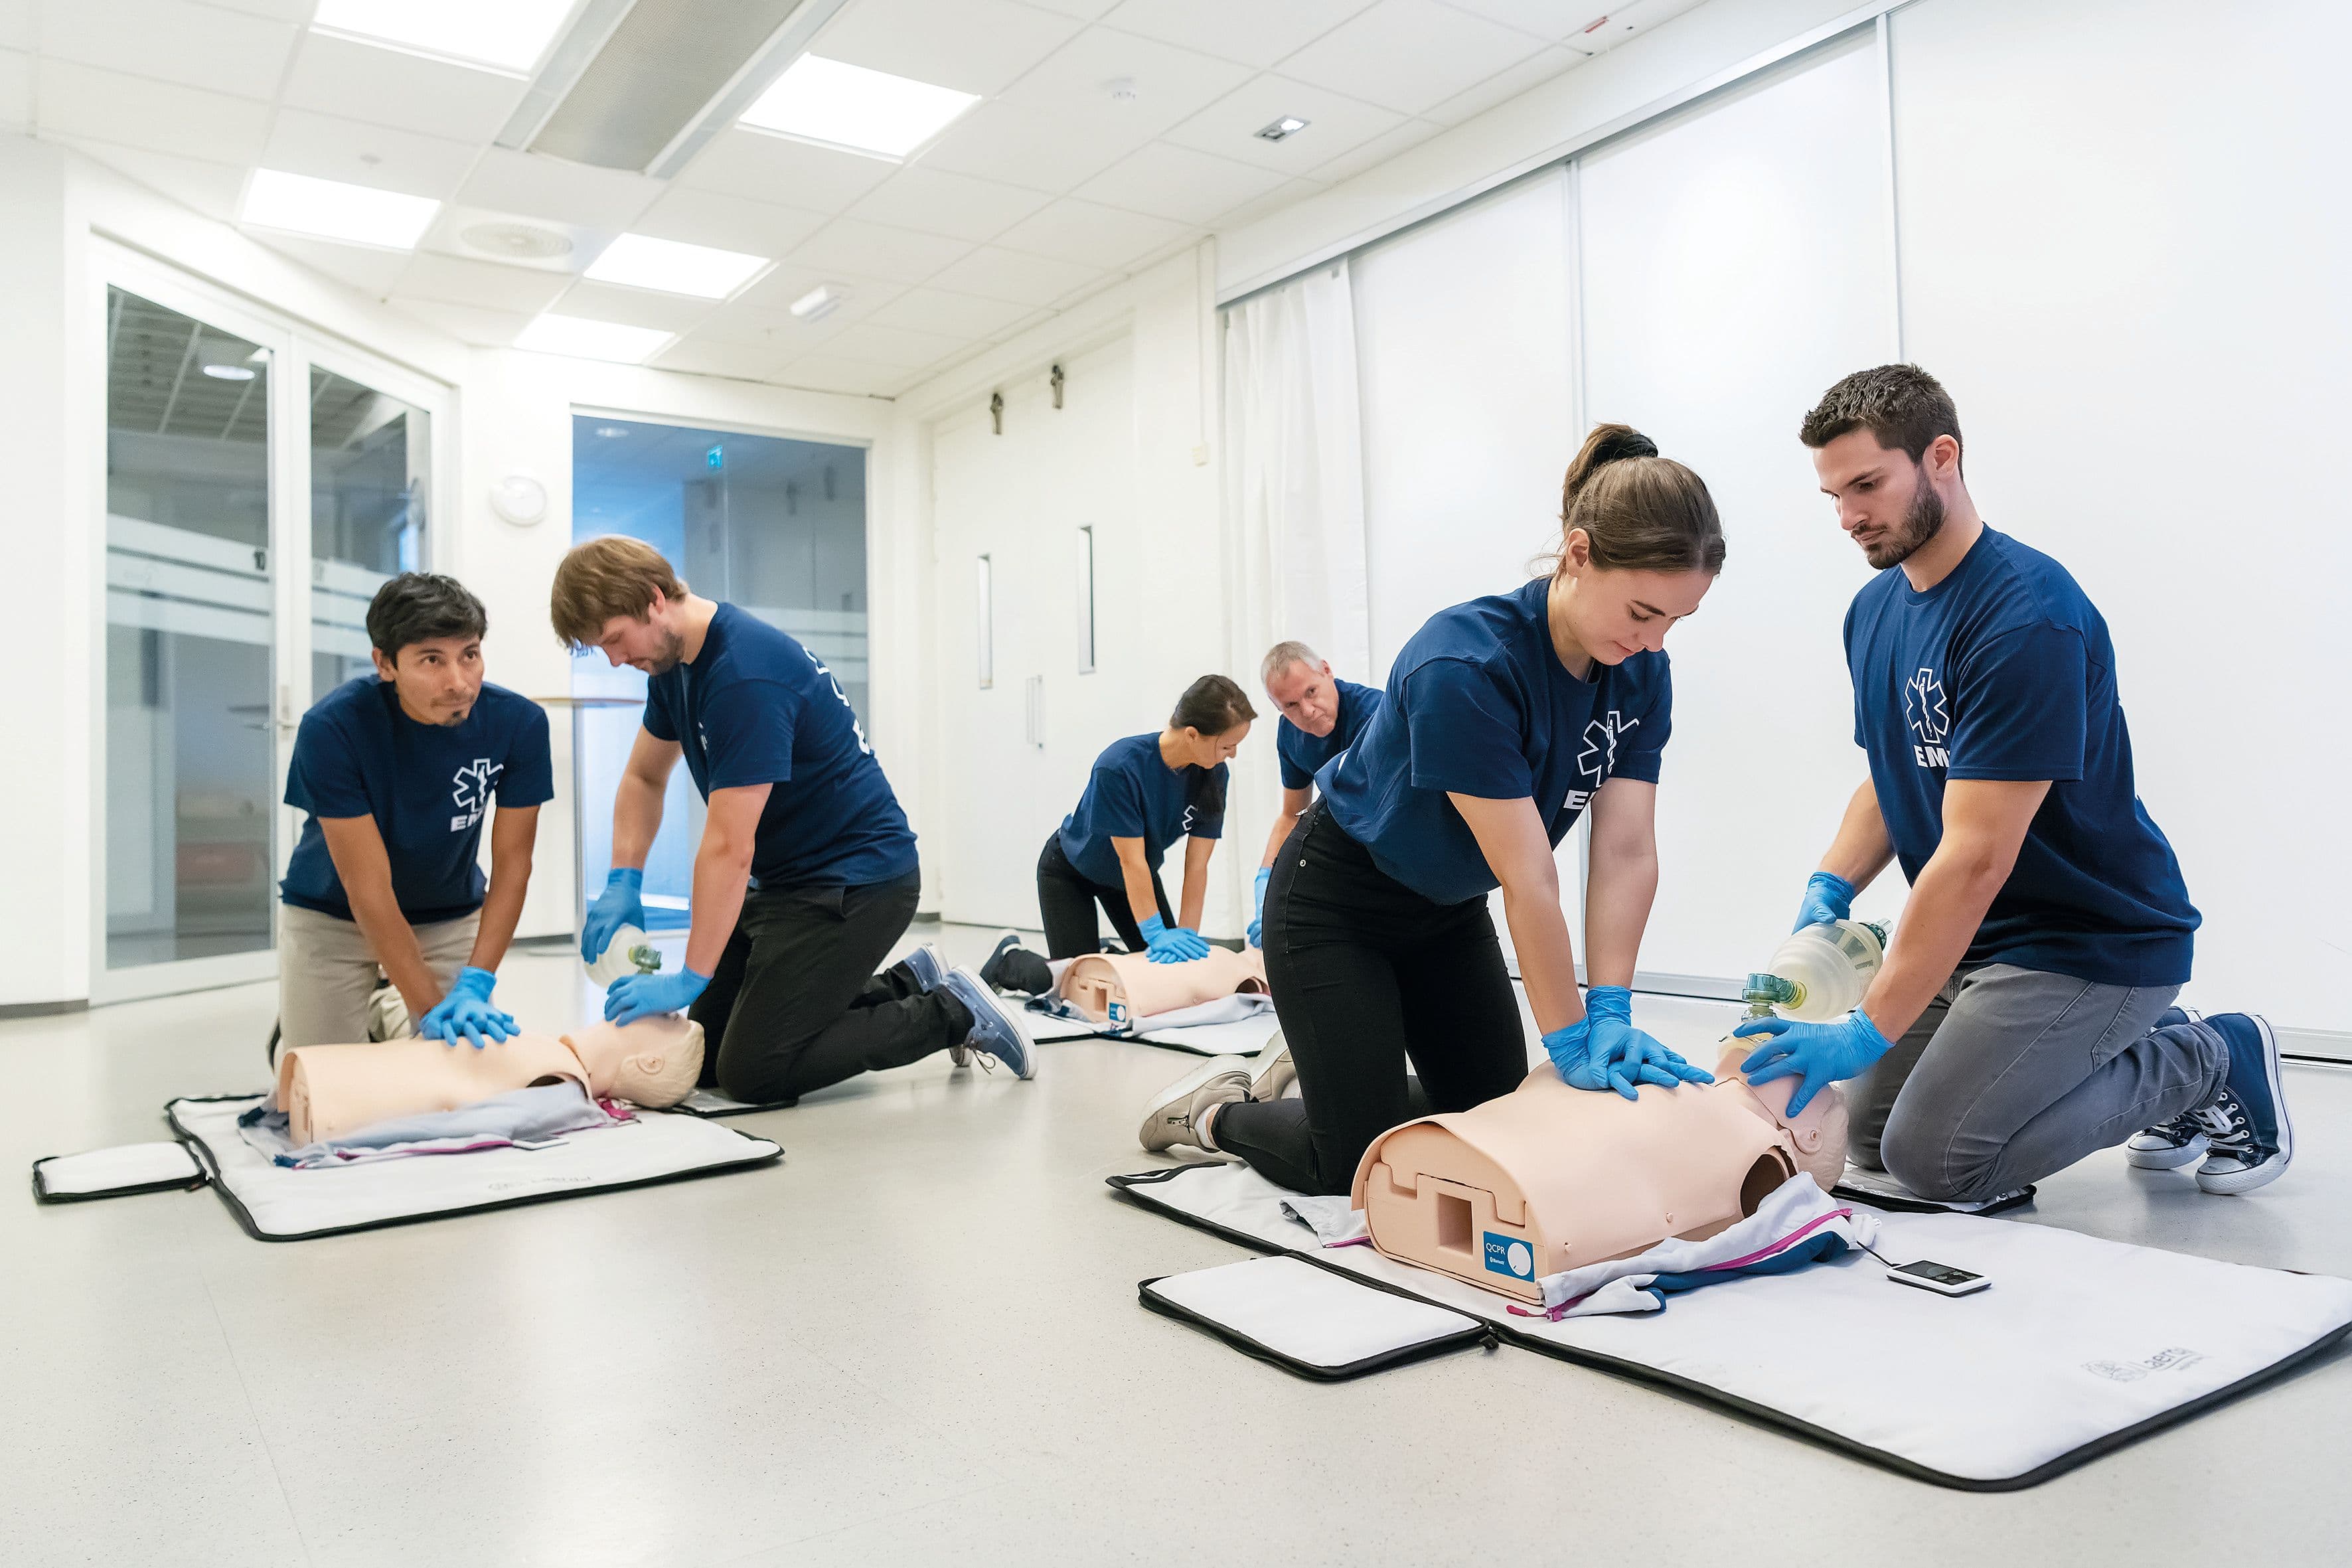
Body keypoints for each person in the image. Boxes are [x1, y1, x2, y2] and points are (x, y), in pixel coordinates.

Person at [1735, 364, 2286, 1201]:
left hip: (2086, 943)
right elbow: (1893, 775)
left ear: (1942, 458)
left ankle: (2210, 1056)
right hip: (1981, 941)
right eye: (1833, 496)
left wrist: (1864, 1027)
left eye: (1867, 486)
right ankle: (2128, 1046)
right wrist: (1827, 888)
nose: (1848, 517)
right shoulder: (1875, 610)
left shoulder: (2024, 616)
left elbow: (1976, 859)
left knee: (1942, 1161)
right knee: (1873, 1141)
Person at [1142, 426, 1721, 1195]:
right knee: (1351, 1159)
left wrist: (1611, 1003)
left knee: (1489, 1121)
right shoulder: (1467, 664)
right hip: (1335, 903)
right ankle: (1216, 1114)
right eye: (1645, 612)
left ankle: (1344, 1074)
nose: (1654, 643)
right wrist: (1570, 1036)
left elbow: (1624, 852)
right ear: (1579, 554)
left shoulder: (1641, 673)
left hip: (1445, 912)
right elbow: (1529, 875)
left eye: (1675, 623)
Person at [552, 536, 1031, 1101]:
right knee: (704, 1056)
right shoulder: (673, 664)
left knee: (755, 1073)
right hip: (787, 883)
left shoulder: (744, 676)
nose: (614, 659)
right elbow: (643, 778)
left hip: (856, 883)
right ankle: (911, 980)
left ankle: (953, 1011)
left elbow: (730, 846)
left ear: (654, 599)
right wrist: (623, 881)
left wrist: (690, 975)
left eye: (613, 639)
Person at [277, 573, 550, 1052]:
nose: (459, 682)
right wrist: (426, 1009)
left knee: (457, 1076)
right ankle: (387, 1006)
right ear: (385, 664)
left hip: (448, 914)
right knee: (324, 1092)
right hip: (333, 914)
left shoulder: (519, 723)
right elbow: (368, 890)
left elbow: (513, 867)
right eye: (431, 660)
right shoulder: (332, 728)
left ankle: (387, 1011)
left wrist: (477, 982)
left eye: (470, 654)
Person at [1037, 678, 1255, 962]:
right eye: (1227, 746)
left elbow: (1197, 865)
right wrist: (1155, 933)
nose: (1233, 754)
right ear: (1192, 735)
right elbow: (1132, 861)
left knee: (1170, 969)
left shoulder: (1213, 774)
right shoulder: (1119, 767)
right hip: (1071, 873)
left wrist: (1187, 934)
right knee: (1076, 984)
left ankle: (1109, 954)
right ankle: (1010, 959)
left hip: (1132, 879)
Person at [1247, 642, 1381, 947]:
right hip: (1350, 845)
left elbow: (1372, 808)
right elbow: (1291, 815)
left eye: (1311, 692)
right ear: (1277, 707)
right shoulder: (1290, 735)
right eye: (1290, 706)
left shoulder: (1374, 714)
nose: (1307, 711)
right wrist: (1266, 878)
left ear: (1327, 670)